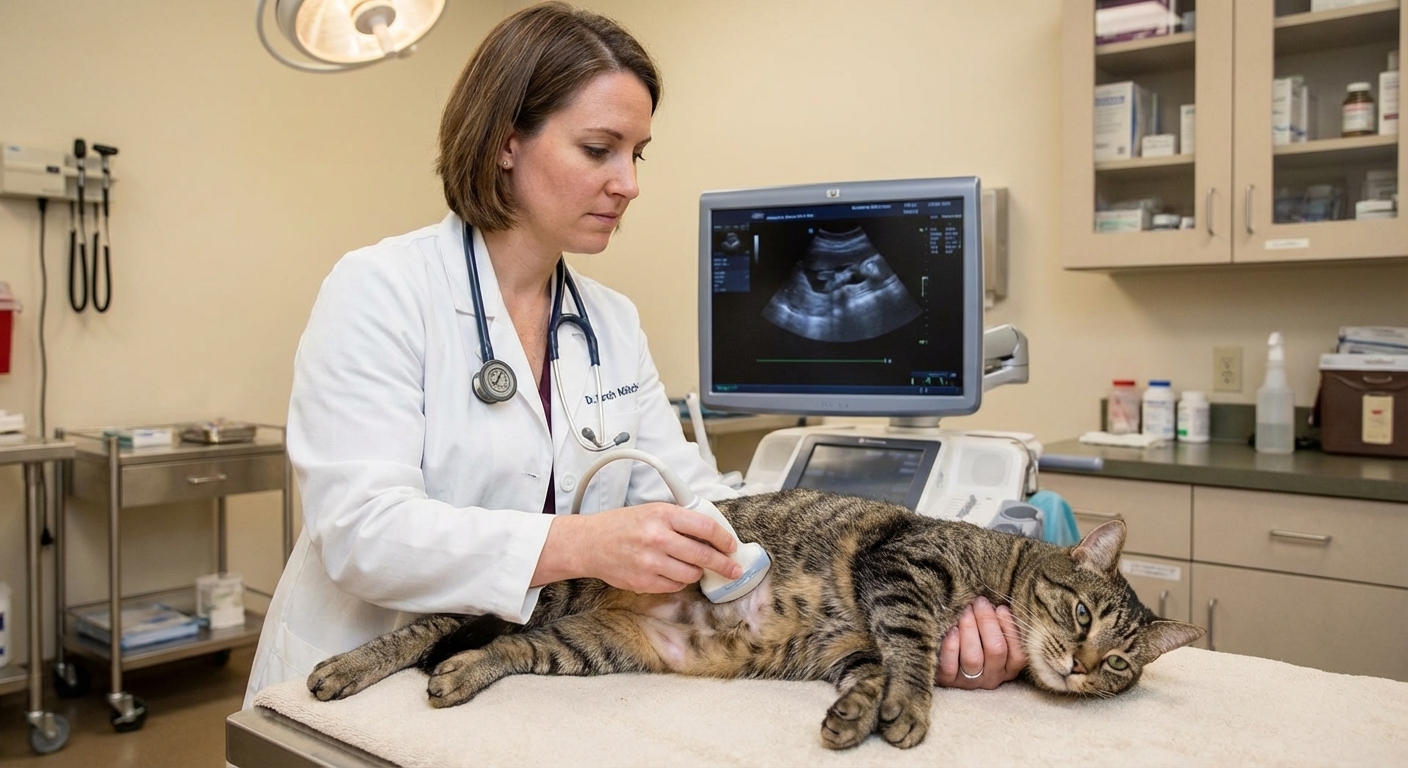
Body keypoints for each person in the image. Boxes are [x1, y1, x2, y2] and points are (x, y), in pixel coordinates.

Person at [244, 1, 1021, 708]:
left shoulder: (609, 323)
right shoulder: (380, 289)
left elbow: (700, 502)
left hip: (517, 686)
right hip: (357, 678)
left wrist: (921, 616)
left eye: (638, 153)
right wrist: (581, 544)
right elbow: (362, 535)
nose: (628, 183)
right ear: (505, 141)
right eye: (598, 149)